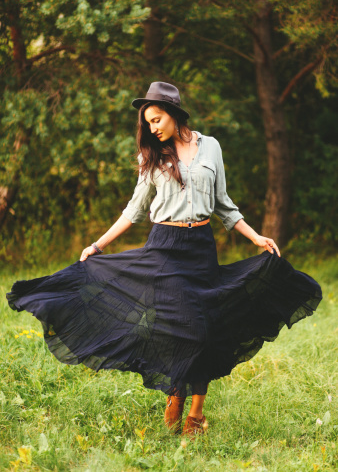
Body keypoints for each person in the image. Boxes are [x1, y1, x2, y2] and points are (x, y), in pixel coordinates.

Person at [7, 82, 322, 437]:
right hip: (165, 248)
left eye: (157, 120)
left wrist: (256, 236)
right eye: (148, 123)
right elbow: (134, 211)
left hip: (201, 247)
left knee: (207, 329)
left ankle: (196, 415)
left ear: (174, 114)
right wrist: (97, 244)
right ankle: (176, 393)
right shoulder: (152, 157)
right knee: (187, 328)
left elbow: (224, 205)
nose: (152, 128)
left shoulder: (211, 148)